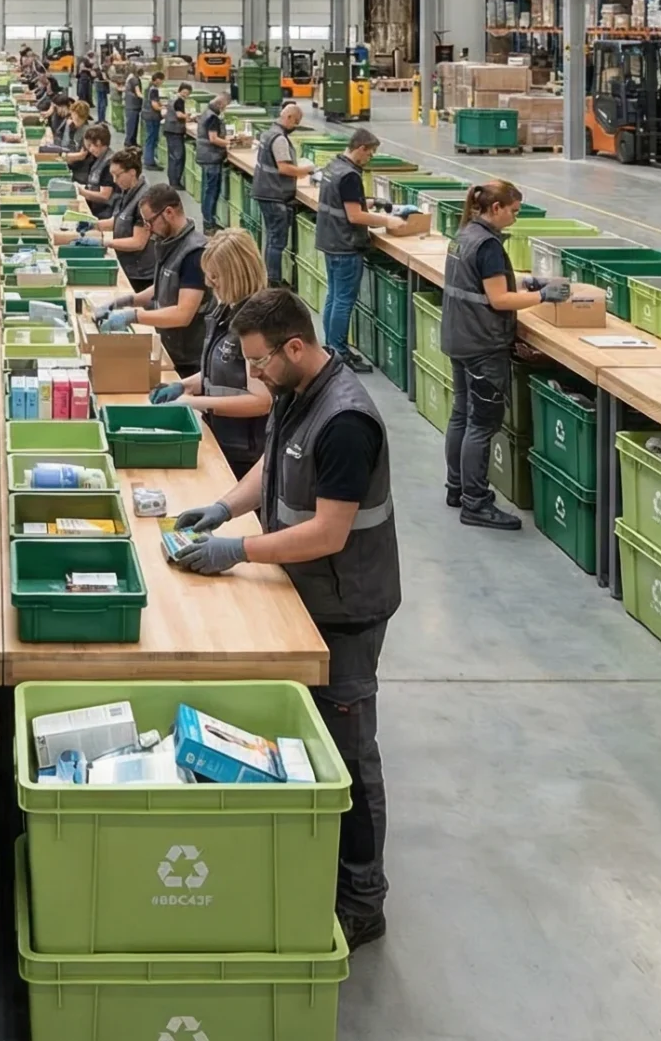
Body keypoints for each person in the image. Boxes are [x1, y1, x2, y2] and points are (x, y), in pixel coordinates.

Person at [165, 288, 398, 951]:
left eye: (260, 361)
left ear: (295, 347)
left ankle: (362, 897)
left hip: (345, 605)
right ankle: (310, 863)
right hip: (303, 595)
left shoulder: (348, 419)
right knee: (306, 740)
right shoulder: (300, 391)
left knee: (350, 754)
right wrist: (222, 507)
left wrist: (237, 549)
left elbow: (328, 530)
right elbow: (273, 464)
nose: (255, 373)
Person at [440, 179, 571, 529]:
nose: (515, 218)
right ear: (495, 208)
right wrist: (544, 296)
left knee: (461, 415)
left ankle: (457, 488)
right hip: (483, 344)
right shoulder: (488, 246)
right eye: (513, 211)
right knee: (481, 425)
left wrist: (524, 286)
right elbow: (498, 300)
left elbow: (479, 286)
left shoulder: (464, 234)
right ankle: (476, 503)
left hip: (458, 337)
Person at [154, 229, 273, 475]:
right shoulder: (226, 311)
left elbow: (261, 401)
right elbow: (222, 371)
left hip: (243, 452)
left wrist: (196, 402)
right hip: (220, 436)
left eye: (216, 277)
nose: (209, 284)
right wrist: (183, 386)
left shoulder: (256, 324)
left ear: (235, 275)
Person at [313, 129, 424, 371]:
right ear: (361, 148)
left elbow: (343, 201)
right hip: (345, 244)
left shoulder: (334, 167)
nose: (370, 158)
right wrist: (388, 221)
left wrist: (377, 203)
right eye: (370, 153)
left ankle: (331, 347)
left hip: (329, 240)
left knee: (334, 296)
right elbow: (354, 215)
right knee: (343, 300)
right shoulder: (350, 175)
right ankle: (340, 353)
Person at [97, 183, 210, 377]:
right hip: (168, 344)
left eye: (149, 222)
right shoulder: (170, 242)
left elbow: (183, 314)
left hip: (187, 359)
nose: (147, 229)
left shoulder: (194, 254)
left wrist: (135, 316)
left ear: (168, 213)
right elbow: (164, 285)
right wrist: (127, 300)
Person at [252, 100, 313, 286]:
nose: (295, 126)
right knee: (277, 241)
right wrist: (305, 170)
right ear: (288, 117)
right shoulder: (279, 139)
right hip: (274, 193)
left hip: (265, 190)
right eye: (295, 122)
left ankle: (269, 277)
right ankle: (274, 281)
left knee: (271, 237)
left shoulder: (268, 133)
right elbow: (284, 168)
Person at [87, 149, 156, 300]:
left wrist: (104, 242)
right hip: (127, 264)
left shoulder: (144, 200)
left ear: (132, 172)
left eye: (117, 175)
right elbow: (118, 221)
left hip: (140, 273)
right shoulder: (128, 191)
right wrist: (92, 225)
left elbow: (138, 242)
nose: (114, 180)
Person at [195, 93, 233, 229]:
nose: (226, 108)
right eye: (226, 105)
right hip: (211, 157)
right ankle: (209, 223)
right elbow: (213, 138)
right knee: (211, 190)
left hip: (206, 155)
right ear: (221, 104)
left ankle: (208, 220)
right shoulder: (213, 117)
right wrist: (229, 143)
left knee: (208, 189)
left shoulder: (207, 112)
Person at [72, 125, 117, 213]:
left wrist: (81, 191)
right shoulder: (96, 157)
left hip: (103, 211)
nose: (89, 150)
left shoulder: (109, 164)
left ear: (98, 142)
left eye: (89, 146)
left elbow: (104, 196)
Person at [164, 83, 192, 188]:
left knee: (172, 157)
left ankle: (172, 180)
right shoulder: (179, 100)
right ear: (180, 91)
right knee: (178, 157)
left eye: (187, 93)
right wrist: (188, 117)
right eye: (184, 92)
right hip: (175, 131)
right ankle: (175, 182)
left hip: (169, 129)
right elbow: (179, 114)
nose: (185, 95)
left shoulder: (172, 98)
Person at [140, 79, 165, 170]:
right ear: (158, 80)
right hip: (152, 117)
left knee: (150, 138)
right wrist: (163, 108)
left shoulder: (148, 88)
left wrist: (162, 104)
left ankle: (149, 159)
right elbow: (154, 105)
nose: (162, 82)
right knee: (152, 138)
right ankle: (149, 162)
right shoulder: (154, 89)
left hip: (147, 115)